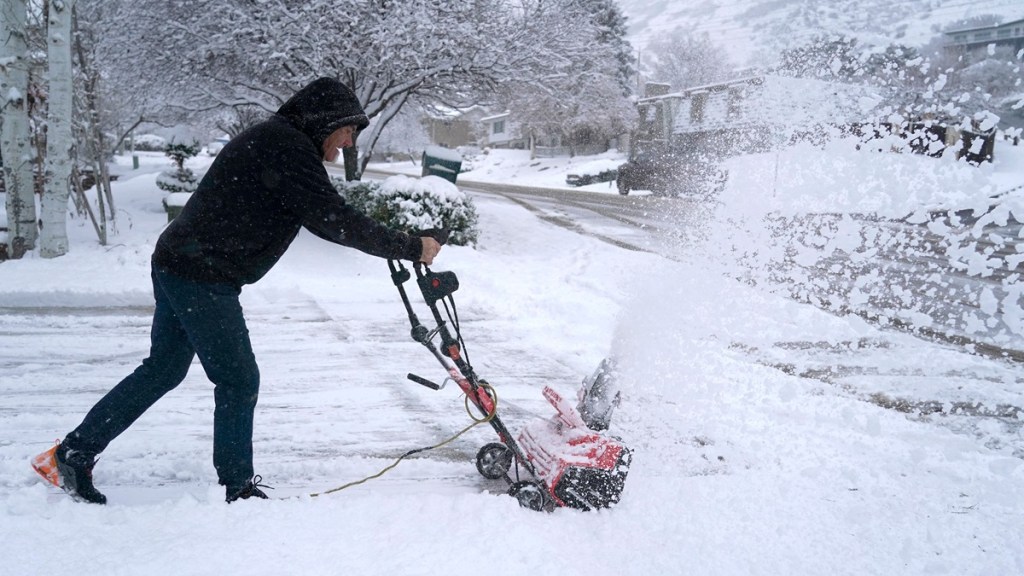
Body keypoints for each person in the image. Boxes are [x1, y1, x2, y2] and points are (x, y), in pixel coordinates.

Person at [31, 77, 442, 504]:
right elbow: (334, 218)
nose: (349, 144)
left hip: (181, 261)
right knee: (238, 379)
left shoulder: (280, 141)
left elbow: (328, 215)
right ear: (327, 121)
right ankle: (237, 486)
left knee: (164, 369)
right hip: (201, 274)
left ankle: (73, 453)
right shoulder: (287, 148)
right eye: (349, 132)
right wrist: (410, 246)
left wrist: (399, 243)